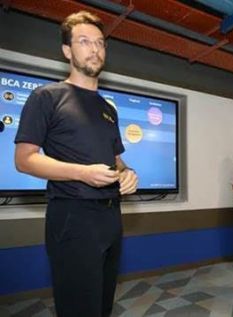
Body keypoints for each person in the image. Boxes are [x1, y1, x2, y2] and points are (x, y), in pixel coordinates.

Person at [14, 11, 138, 317]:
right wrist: (82, 173)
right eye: (84, 41)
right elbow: (24, 160)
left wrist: (128, 175)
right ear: (67, 51)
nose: (94, 49)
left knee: (102, 306)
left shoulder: (108, 109)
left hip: (111, 218)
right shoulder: (47, 97)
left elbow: (117, 161)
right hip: (72, 216)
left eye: (100, 43)